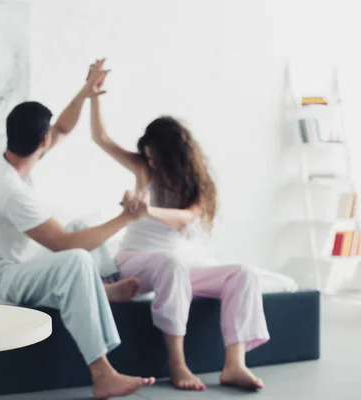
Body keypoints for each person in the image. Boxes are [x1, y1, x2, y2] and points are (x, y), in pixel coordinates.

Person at [0, 60, 155, 399]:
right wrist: (126, 218)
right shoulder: (9, 190)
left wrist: (87, 90)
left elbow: (62, 128)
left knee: (79, 226)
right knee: (76, 259)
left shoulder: (5, 159)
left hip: (8, 265)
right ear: (42, 141)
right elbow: (64, 246)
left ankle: (102, 289)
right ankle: (102, 373)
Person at [88, 59, 269, 391]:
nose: (150, 161)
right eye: (147, 155)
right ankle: (178, 363)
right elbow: (101, 138)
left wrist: (148, 210)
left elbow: (186, 218)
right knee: (171, 264)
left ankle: (234, 365)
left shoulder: (197, 185)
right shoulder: (144, 170)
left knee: (244, 273)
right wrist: (94, 94)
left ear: (174, 155)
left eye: (155, 156)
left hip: (177, 264)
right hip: (136, 260)